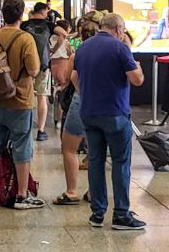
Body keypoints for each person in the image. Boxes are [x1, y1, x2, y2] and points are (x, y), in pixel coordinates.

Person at [73, 12, 146, 230]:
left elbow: (73, 77)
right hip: (114, 113)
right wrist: (138, 65)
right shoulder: (120, 48)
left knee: (95, 162)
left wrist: (86, 94)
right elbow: (137, 79)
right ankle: (121, 214)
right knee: (120, 163)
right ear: (118, 29)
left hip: (89, 112)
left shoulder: (83, 47)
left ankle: (97, 213)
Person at [0, 0, 45, 209]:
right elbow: (34, 69)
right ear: (21, 15)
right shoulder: (25, 38)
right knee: (22, 144)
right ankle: (21, 195)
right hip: (20, 99)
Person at [53, 21, 96, 206]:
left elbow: (69, 77)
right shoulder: (108, 54)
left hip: (80, 101)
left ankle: (71, 191)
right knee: (96, 150)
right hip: (101, 104)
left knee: (69, 148)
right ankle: (94, 191)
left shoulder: (77, 55)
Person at [20, 2, 56, 141]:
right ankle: (41, 130)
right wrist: (52, 49)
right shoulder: (49, 25)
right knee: (42, 97)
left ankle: (25, 127)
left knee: (25, 95)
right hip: (43, 64)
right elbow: (64, 34)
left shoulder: (25, 25)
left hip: (26, 64)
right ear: (43, 12)